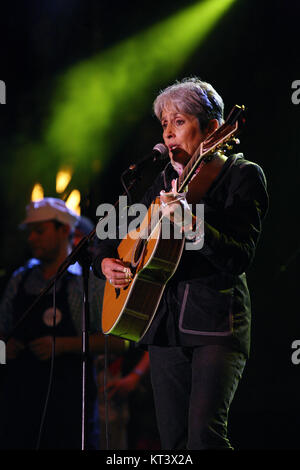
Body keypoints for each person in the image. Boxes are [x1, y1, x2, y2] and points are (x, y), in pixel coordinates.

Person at [93, 77, 269, 450]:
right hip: (164, 328)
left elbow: (239, 256)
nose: (169, 133)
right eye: (164, 124)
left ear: (212, 130)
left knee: (204, 439)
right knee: (172, 444)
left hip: (216, 325)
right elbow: (108, 235)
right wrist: (104, 262)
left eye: (179, 121)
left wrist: (191, 222)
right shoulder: (160, 181)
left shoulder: (241, 175)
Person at [0, 197, 124, 449]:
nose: (32, 238)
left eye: (39, 231)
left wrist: (64, 345)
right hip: (18, 409)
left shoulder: (86, 283)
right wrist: (4, 350)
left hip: (70, 411)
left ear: (64, 230)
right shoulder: (19, 280)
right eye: (30, 233)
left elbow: (120, 343)